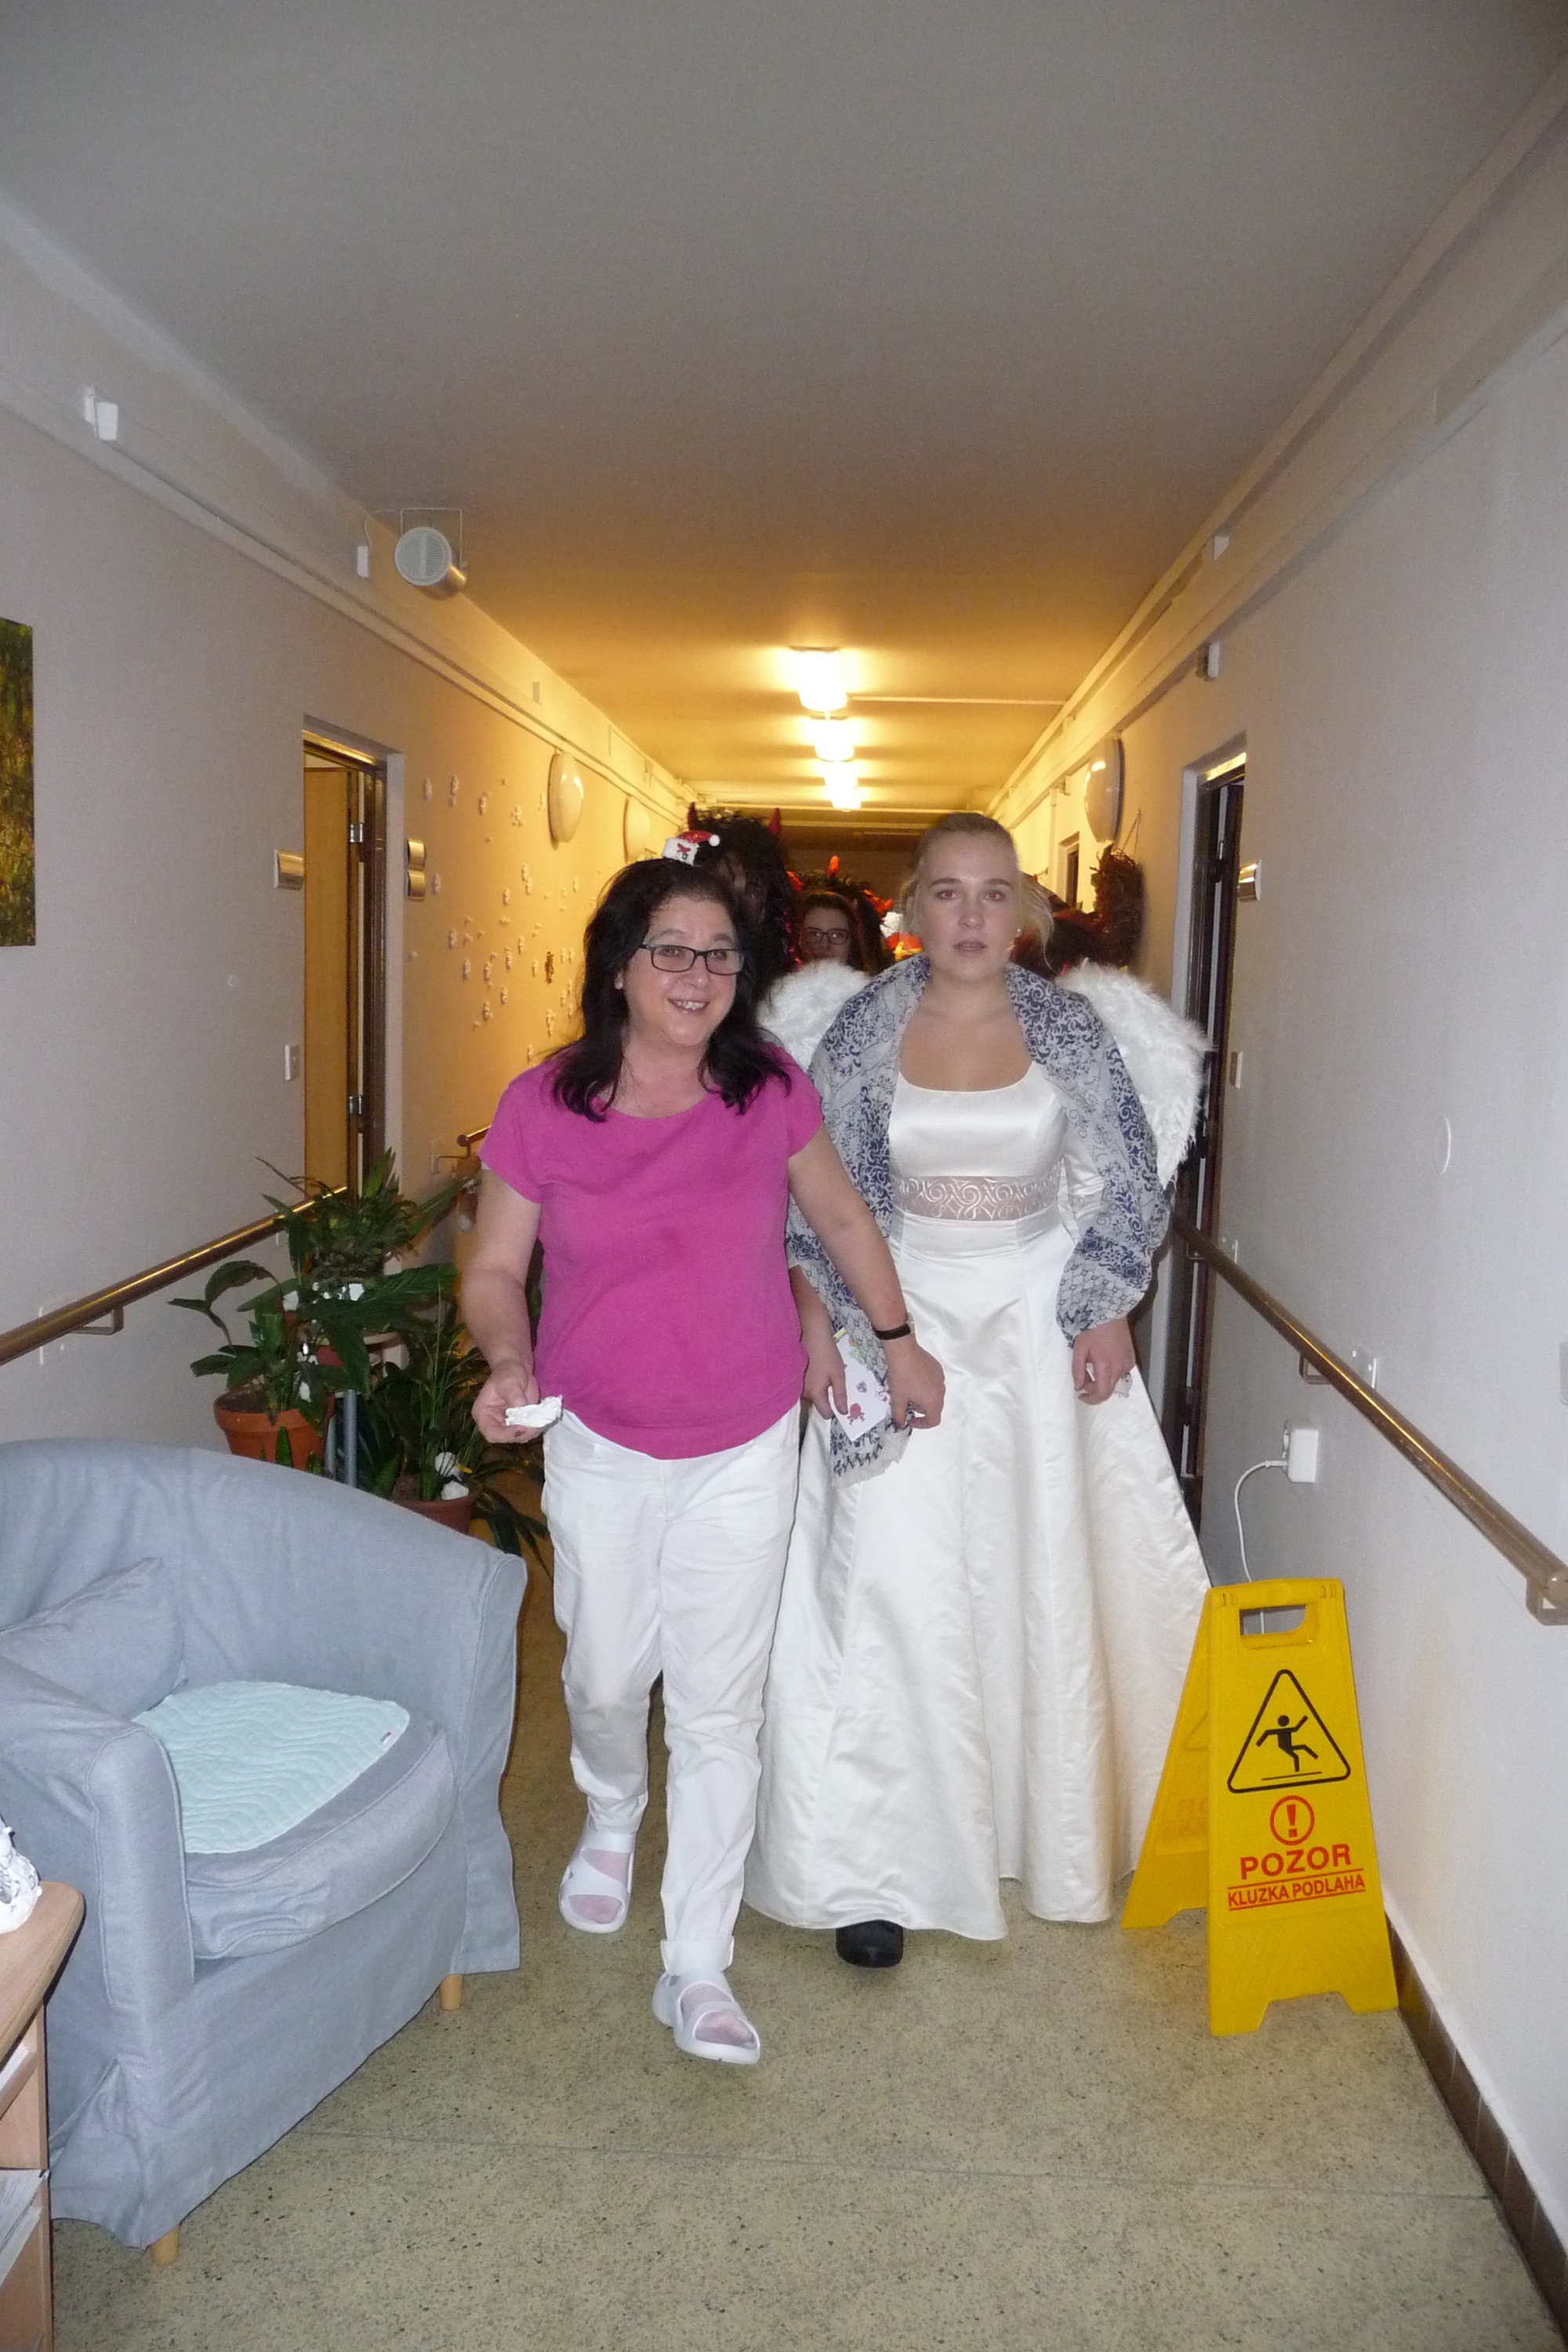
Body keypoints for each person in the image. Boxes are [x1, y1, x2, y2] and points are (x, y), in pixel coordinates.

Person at [465, 856, 944, 2063]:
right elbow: (493, 1268)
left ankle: (697, 1967)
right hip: (599, 1434)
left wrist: (898, 1340)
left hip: (743, 1438)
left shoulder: (768, 1089)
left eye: (719, 953)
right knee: (604, 1676)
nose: (697, 974)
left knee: (720, 1709)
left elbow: (841, 1217)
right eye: (671, 950)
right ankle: (612, 1810)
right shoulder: (544, 1104)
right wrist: (508, 1359)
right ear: (619, 966)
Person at [746, 812, 1210, 1968]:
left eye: (994, 892)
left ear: (1025, 912)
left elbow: (1124, 1178)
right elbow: (816, 1197)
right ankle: (871, 1861)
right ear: (910, 909)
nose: (970, 915)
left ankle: (1042, 1829)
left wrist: (1106, 1303)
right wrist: (825, 1329)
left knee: (1030, 1569)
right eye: (947, 892)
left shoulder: (1073, 1032)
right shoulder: (859, 1032)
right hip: (890, 1315)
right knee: (888, 1581)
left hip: (1035, 1328)